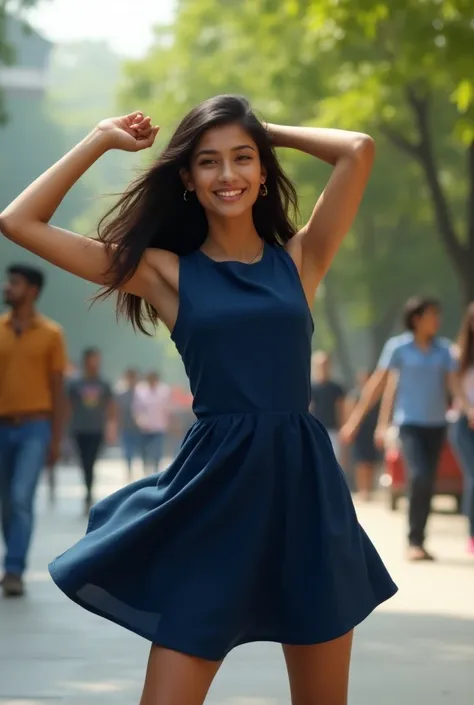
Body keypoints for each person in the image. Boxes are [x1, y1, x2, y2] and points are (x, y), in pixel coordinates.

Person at [0, 95, 396, 704]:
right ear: (188, 178)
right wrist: (100, 139)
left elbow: (358, 150)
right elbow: (19, 222)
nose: (228, 175)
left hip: (304, 492)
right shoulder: (165, 272)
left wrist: (266, 130)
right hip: (215, 492)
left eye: (244, 159)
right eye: (209, 162)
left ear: (263, 172)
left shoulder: (300, 260)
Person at [342, 297, 459, 562]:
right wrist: (355, 421)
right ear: (416, 319)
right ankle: (413, 541)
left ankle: (420, 538)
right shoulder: (399, 348)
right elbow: (378, 386)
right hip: (409, 424)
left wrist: (466, 406)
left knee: (428, 481)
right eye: (432, 315)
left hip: (437, 425)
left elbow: (454, 385)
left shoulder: (443, 351)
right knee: (418, 476)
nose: (437, 320)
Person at [0, 264, 67, 597]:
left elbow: (58, 389)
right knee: (6, 504)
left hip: (35, 427)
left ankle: (13, 569)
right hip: (2, 426)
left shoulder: (52, 333)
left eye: (14, 283)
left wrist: (56, 440)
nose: (7, 288)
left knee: (20, 497)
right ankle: (12, 562)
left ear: (33, 291)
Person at [67, 347, 117, 514]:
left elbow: (110, 407)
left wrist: (111, 427)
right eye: (92, 360)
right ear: (85, 361)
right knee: (84, 462)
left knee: (92, 461)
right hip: (80, 428)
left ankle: (89, 493)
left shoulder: (104, 384)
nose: (94, 363)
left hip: (97, 429)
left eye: (97, 359)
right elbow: (68, 406)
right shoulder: (75, 384)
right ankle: (87, 491)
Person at [448, 303, 474, 555]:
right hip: (464, 423)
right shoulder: (458, 354)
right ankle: (472, 535)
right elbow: (455, 388)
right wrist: (469, 410)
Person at [344, 368, 381, 501]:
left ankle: (369, 489)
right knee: (360, 462)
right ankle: (362, 490)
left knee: (371, 461)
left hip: (371, 431)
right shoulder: (355, 395)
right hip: (358, 432)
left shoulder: (378, 396)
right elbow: (348, 412)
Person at [133, 371, 172, 475]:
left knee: (158, 450)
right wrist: (140, 421)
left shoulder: (164, 390)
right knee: (144, 450)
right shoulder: (140, 390)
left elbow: (168, 408)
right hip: (145, 427)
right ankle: (146, 469)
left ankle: (156, 470)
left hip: (159, 426)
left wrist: (168, 422)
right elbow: (137, 409)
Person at [309, 351, 345, 462]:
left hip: (333, 430)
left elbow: (341, 409)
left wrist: (341, 428)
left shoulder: (336, 388)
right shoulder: (310, 388)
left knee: (334, 461)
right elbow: (309, 408)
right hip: (316, 431)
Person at [115, 367, 141, 481]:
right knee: (128, 452)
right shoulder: (121, 395)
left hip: (140, 429)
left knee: (142, 451)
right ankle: (129, 472)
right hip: (126, 428)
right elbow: (117, 412)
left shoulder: (142, 395)